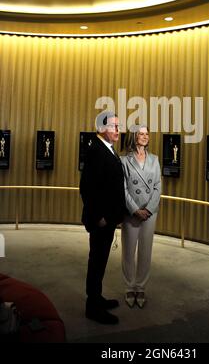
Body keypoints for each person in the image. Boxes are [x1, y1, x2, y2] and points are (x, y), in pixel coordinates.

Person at [80, 111, 127, 324]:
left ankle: (97, 298)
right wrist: (99, 217)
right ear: (101, 129)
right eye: (114, 126)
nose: (119, 130)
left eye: (119, 126)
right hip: (101, 220)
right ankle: (93, 307)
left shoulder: (107, 148)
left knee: (101, 261)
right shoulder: (96, 151)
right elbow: (88, 188)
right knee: (97, 262)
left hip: (108, 219)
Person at [120, 125, 161, 308]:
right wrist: (135, 209)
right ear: (134, 137)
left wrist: (149, 209)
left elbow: (157, 186)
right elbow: (123, 188)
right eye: (141, 134)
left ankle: (141, 287)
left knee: (146, 251)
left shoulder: (155, 159)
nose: (145, 137)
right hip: (131, 212)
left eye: (147, 134)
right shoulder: (124, 160)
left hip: (149, 213)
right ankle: (129, 286)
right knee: (128, 251)